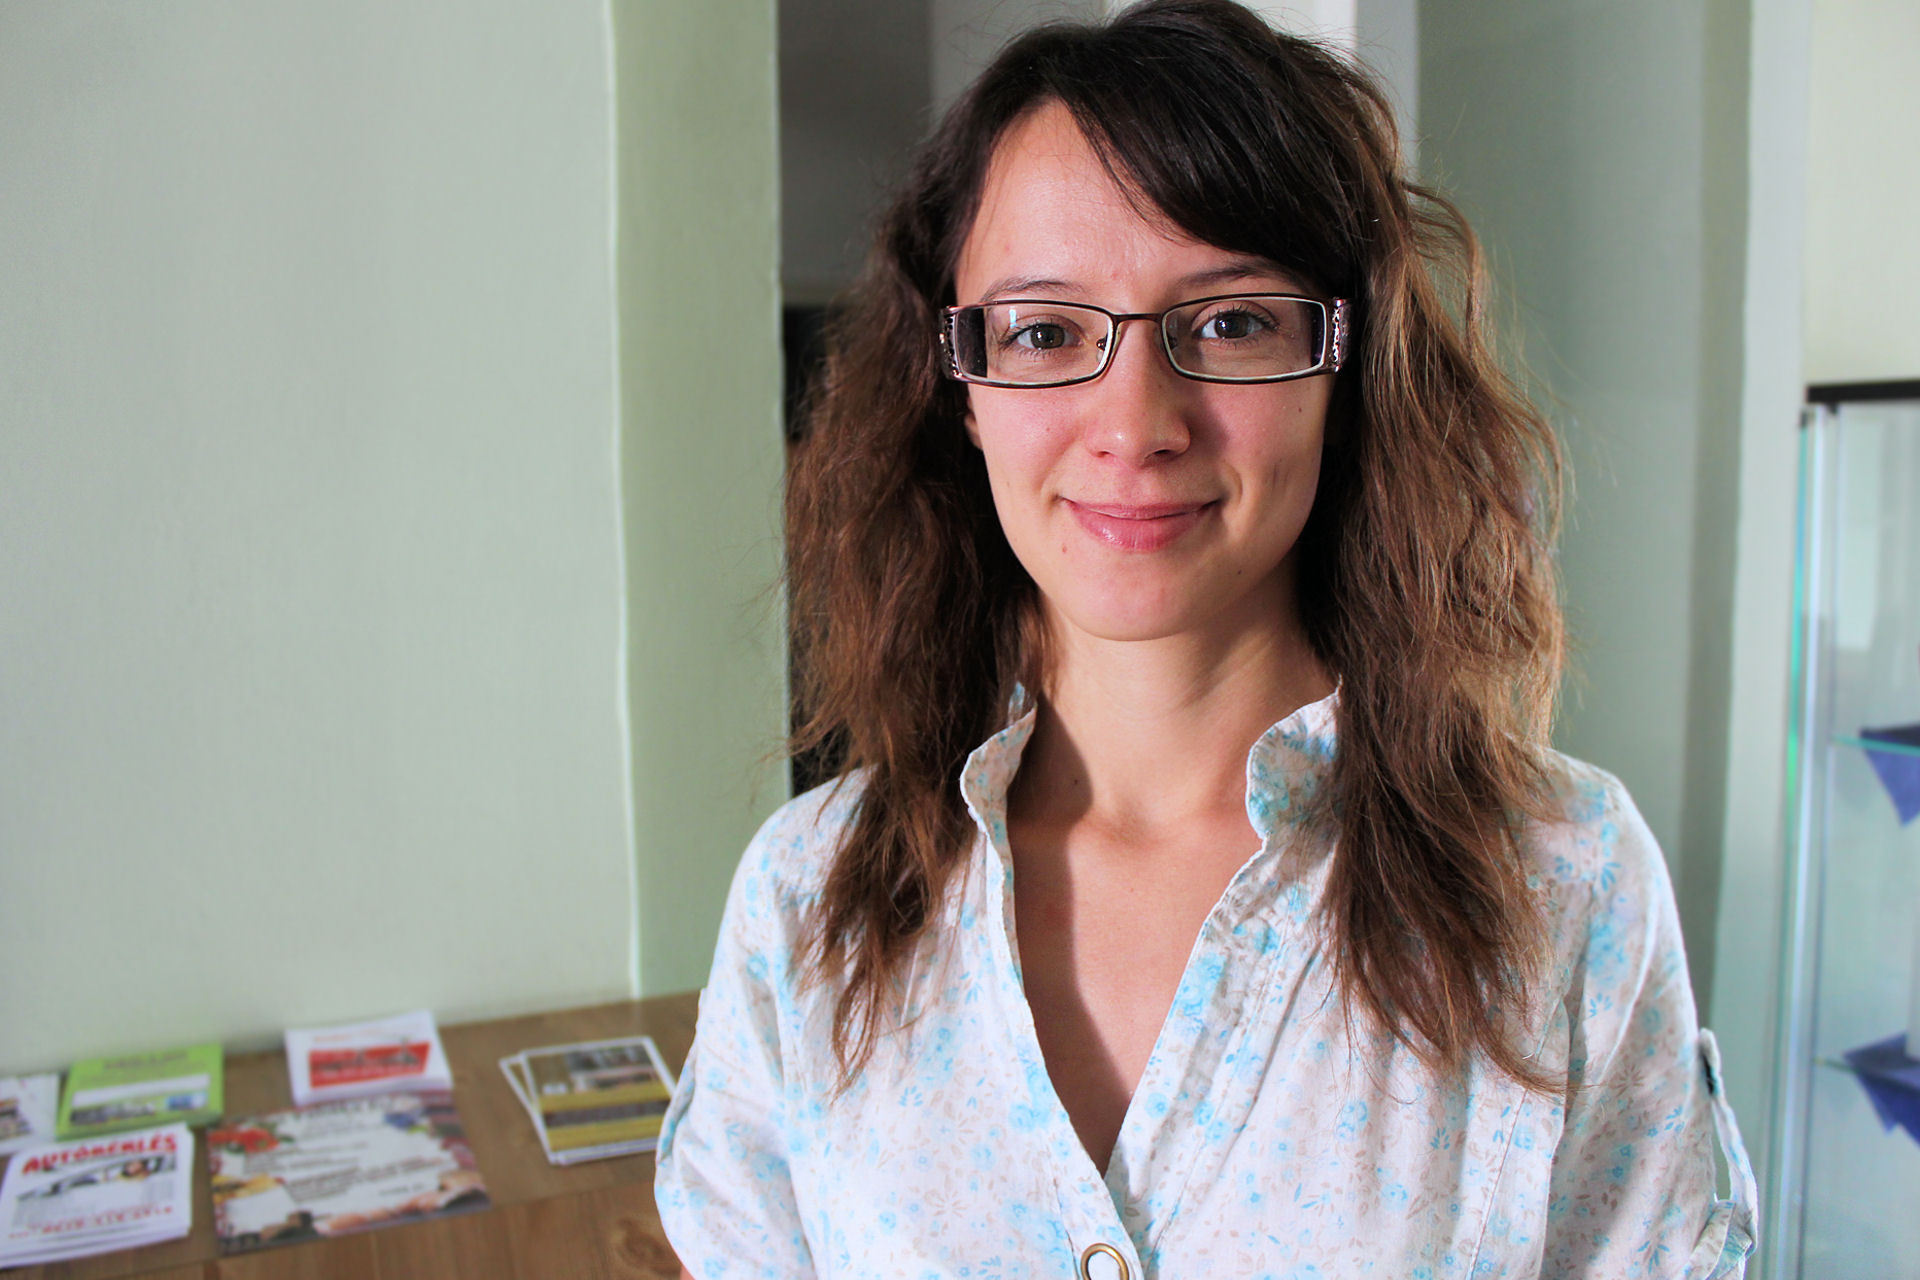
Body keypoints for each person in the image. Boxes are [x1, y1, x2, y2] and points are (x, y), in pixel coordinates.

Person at [654, 2, 1758, 1277]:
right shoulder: (806, 900)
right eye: (1044, 331)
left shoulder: (1565, 886)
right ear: (960, 388)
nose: (1135, 424)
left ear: (1345, 360)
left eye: (1231, 322)